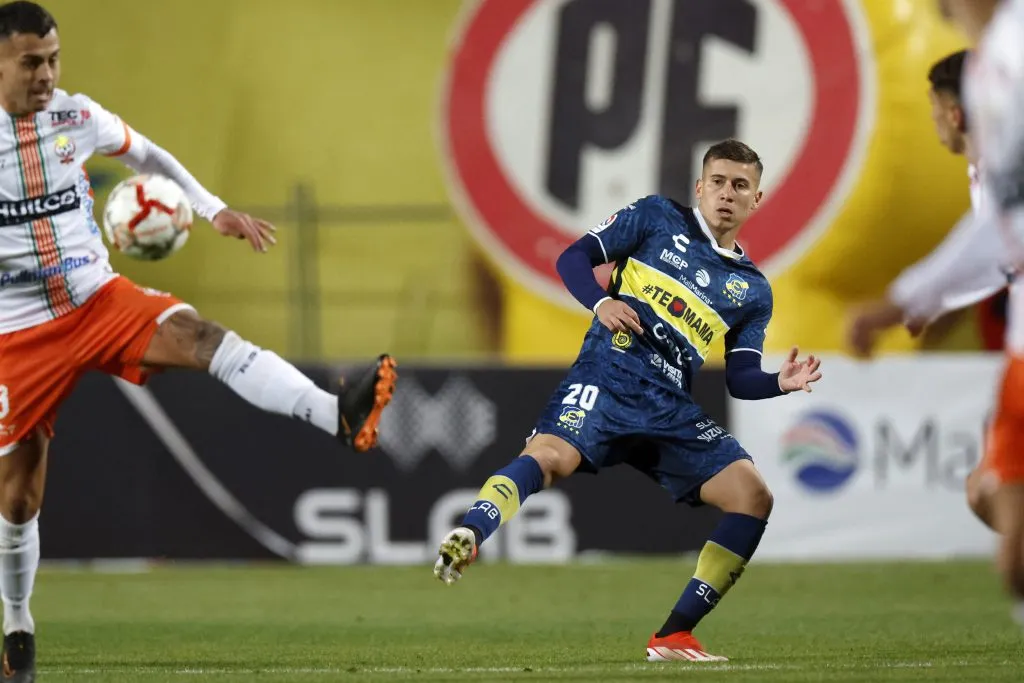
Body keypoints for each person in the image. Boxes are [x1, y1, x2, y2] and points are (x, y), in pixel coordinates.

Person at [0, 3, 397, 679]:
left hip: (98, 298)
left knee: (201, 335)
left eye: (54, 59)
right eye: (31, 62)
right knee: (17, 498)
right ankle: (17, 623)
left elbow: (148, 153)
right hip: (16, 331)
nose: (47, 74)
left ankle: (338, 414)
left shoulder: (77, 116)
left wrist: (215, 211)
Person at [433, 140, 822, 662]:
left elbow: (741, 377)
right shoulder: (656, 217)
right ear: (699, 188)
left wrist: (780, 381)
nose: (728, 194)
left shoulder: (751, 289)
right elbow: (574, 258)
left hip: (669, 405)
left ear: (757, 198)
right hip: (611, 373)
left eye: (741, 186)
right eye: (720, 183)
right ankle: (472, 530)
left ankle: (673, 635)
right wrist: (602, 302)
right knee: (550, 458)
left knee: (752, 496)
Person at [846, 48, 1009, 531]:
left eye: (936, 112)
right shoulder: (988, 176)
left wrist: (905, 302)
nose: (936, 123)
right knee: (988, 489)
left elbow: (995, 246)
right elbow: (998, 258)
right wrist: (926, 303)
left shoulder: (1004, 176)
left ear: (955, 114)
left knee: (991, 489)